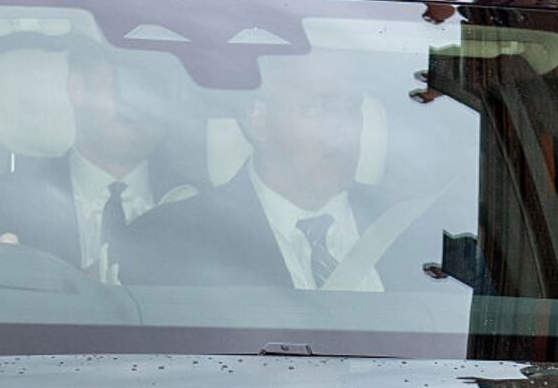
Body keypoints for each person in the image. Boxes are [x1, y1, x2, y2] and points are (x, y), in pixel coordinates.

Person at [121, 55, 393, 290]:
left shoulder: (410, 231)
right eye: (316, 109)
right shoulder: (168, 243)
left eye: (351, 107)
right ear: (258, 120)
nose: (344, 130)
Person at [0, 47, 192, 271]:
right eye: (130, 81)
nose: (144, 101)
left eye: (157, 85)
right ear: (77, 89)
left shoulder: (200, 213)